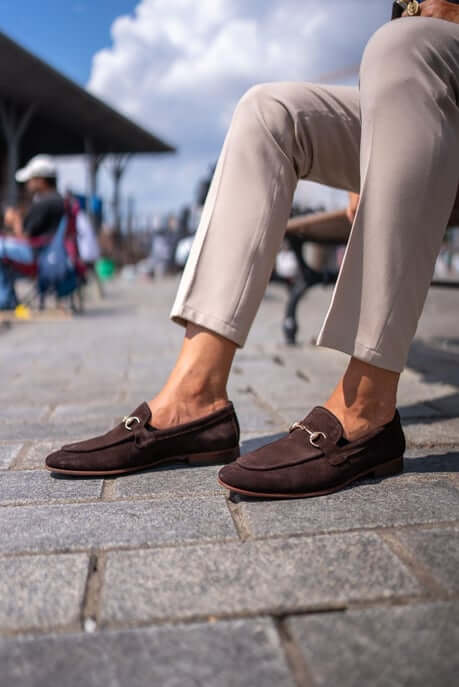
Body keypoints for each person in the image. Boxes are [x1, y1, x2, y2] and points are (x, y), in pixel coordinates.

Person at [46, 5, 459, 499]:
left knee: (403, 45)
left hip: (426, 68)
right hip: (427, 101)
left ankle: (367, 406)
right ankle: (196, 397)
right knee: (268, 111)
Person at [0, 155, 64, 309]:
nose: (27, 184)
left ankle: (5, 301)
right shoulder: (58, 200)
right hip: (48, 254)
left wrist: (14, 220)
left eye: (30, 179)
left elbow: (25, 237)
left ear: (40, 180)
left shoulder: (44, 203)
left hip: (38, 256)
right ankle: (8, 298)